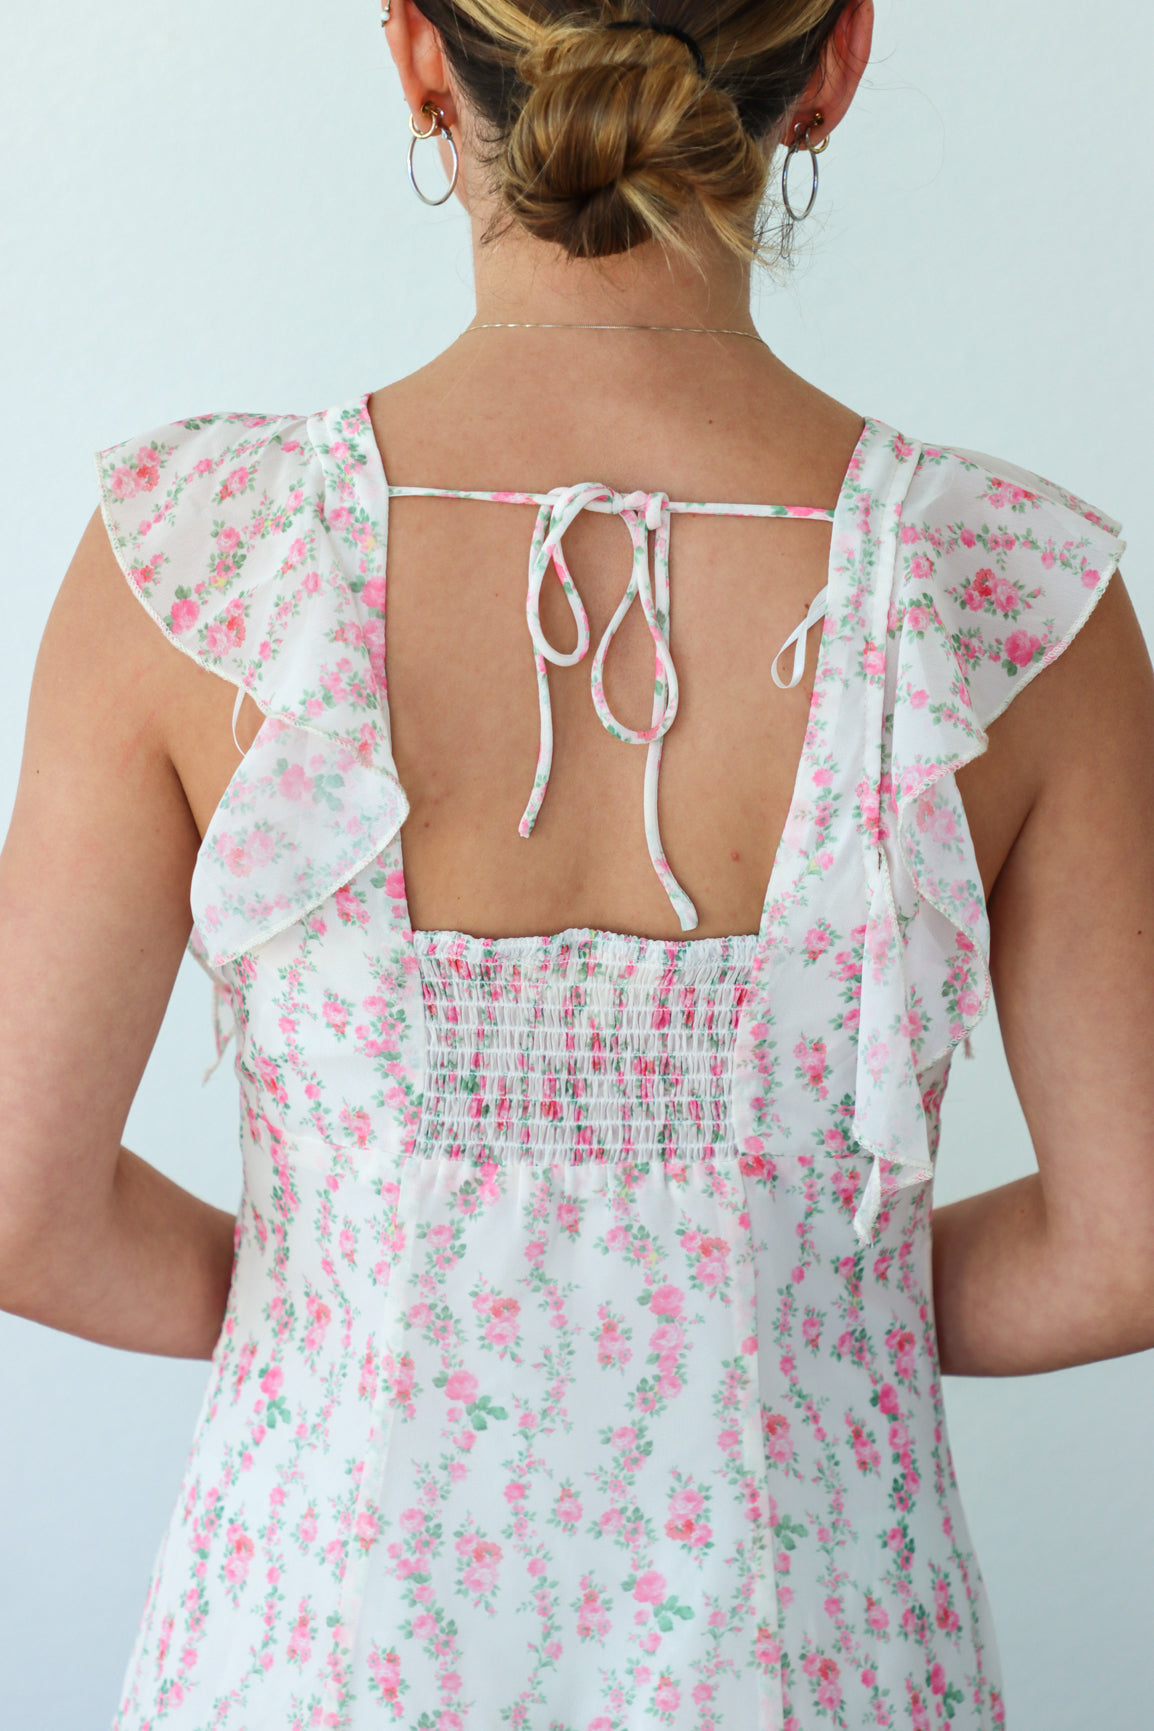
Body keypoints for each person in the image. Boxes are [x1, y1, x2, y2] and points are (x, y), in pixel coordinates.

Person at [1, 0, 1151, 1724]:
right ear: (832, 63)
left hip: (319, 1658)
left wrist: (359, 1288)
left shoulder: (202, 558)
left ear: (419, 55)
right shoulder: (1005, 594)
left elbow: (19, 1207)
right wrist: (782, 1292)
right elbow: (1130, 1245)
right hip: (813, 1662)